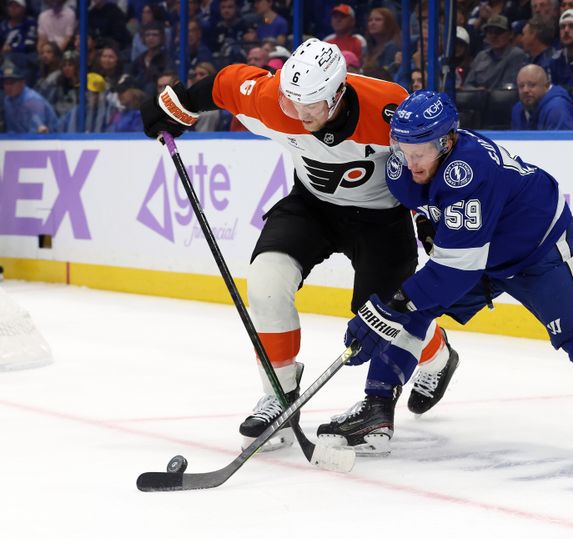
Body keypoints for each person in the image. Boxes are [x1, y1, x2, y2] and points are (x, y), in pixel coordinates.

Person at [318, 89, 573, 465]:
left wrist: (391, 307)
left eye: (421, 150)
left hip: (538, 251)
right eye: (402, 149)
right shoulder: (405, 165)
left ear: (447, 141)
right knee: (411, 310)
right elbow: (424, 209)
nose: (411, 161)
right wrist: (424, 238)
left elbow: (456, 270)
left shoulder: (470, 172)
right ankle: (375, 412)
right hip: (479, 250)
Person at [139, 38, 459, 453]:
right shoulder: (275, 98)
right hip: (312, 207)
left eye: (309, 109)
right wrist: (174, 106)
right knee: (267, 281)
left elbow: (431, 162)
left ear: (338, 94)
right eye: (292, 105)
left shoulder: (389, 108)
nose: (297, 117)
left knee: (382, 319)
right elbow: (220, 85)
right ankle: (281, 395)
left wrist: (430, 216)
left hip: (381, 220)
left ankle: (437, 355)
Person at [463, 15, 528, 90]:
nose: (493, 36)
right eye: (490, 32)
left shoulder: (516, 55)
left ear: (510, 34)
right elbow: (467, 85)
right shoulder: (481, 56)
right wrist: (477, 91)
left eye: (498, 32)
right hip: (477, 99)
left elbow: (509, 89)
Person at [513, 64, 573, 129]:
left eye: (531, 85)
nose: (525, 90)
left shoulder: (557, 108)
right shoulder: (518, 109)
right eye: (521, 86)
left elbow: (560, 144)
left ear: (546, 86)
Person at [2, 61, 58, 133]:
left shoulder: (32, 101)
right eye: (5, 83)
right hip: (18, 141)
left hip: (48, 140)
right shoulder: (7, 100)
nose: (8, 87)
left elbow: (40, 131)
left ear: (22, 83)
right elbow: (11, 130)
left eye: (11, 83)